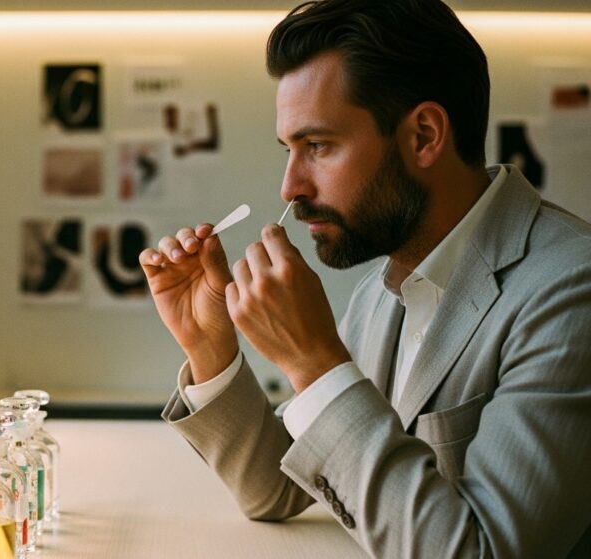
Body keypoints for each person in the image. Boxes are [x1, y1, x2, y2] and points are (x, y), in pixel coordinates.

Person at [138, 1, 591, 557]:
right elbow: (281, 488)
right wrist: (211, 348)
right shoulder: (386, 285)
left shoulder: (572, 291)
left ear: (424, 135)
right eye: (289, 150)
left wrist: (313, 362)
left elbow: (481, 550)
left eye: (318, 146)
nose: (290, 186)